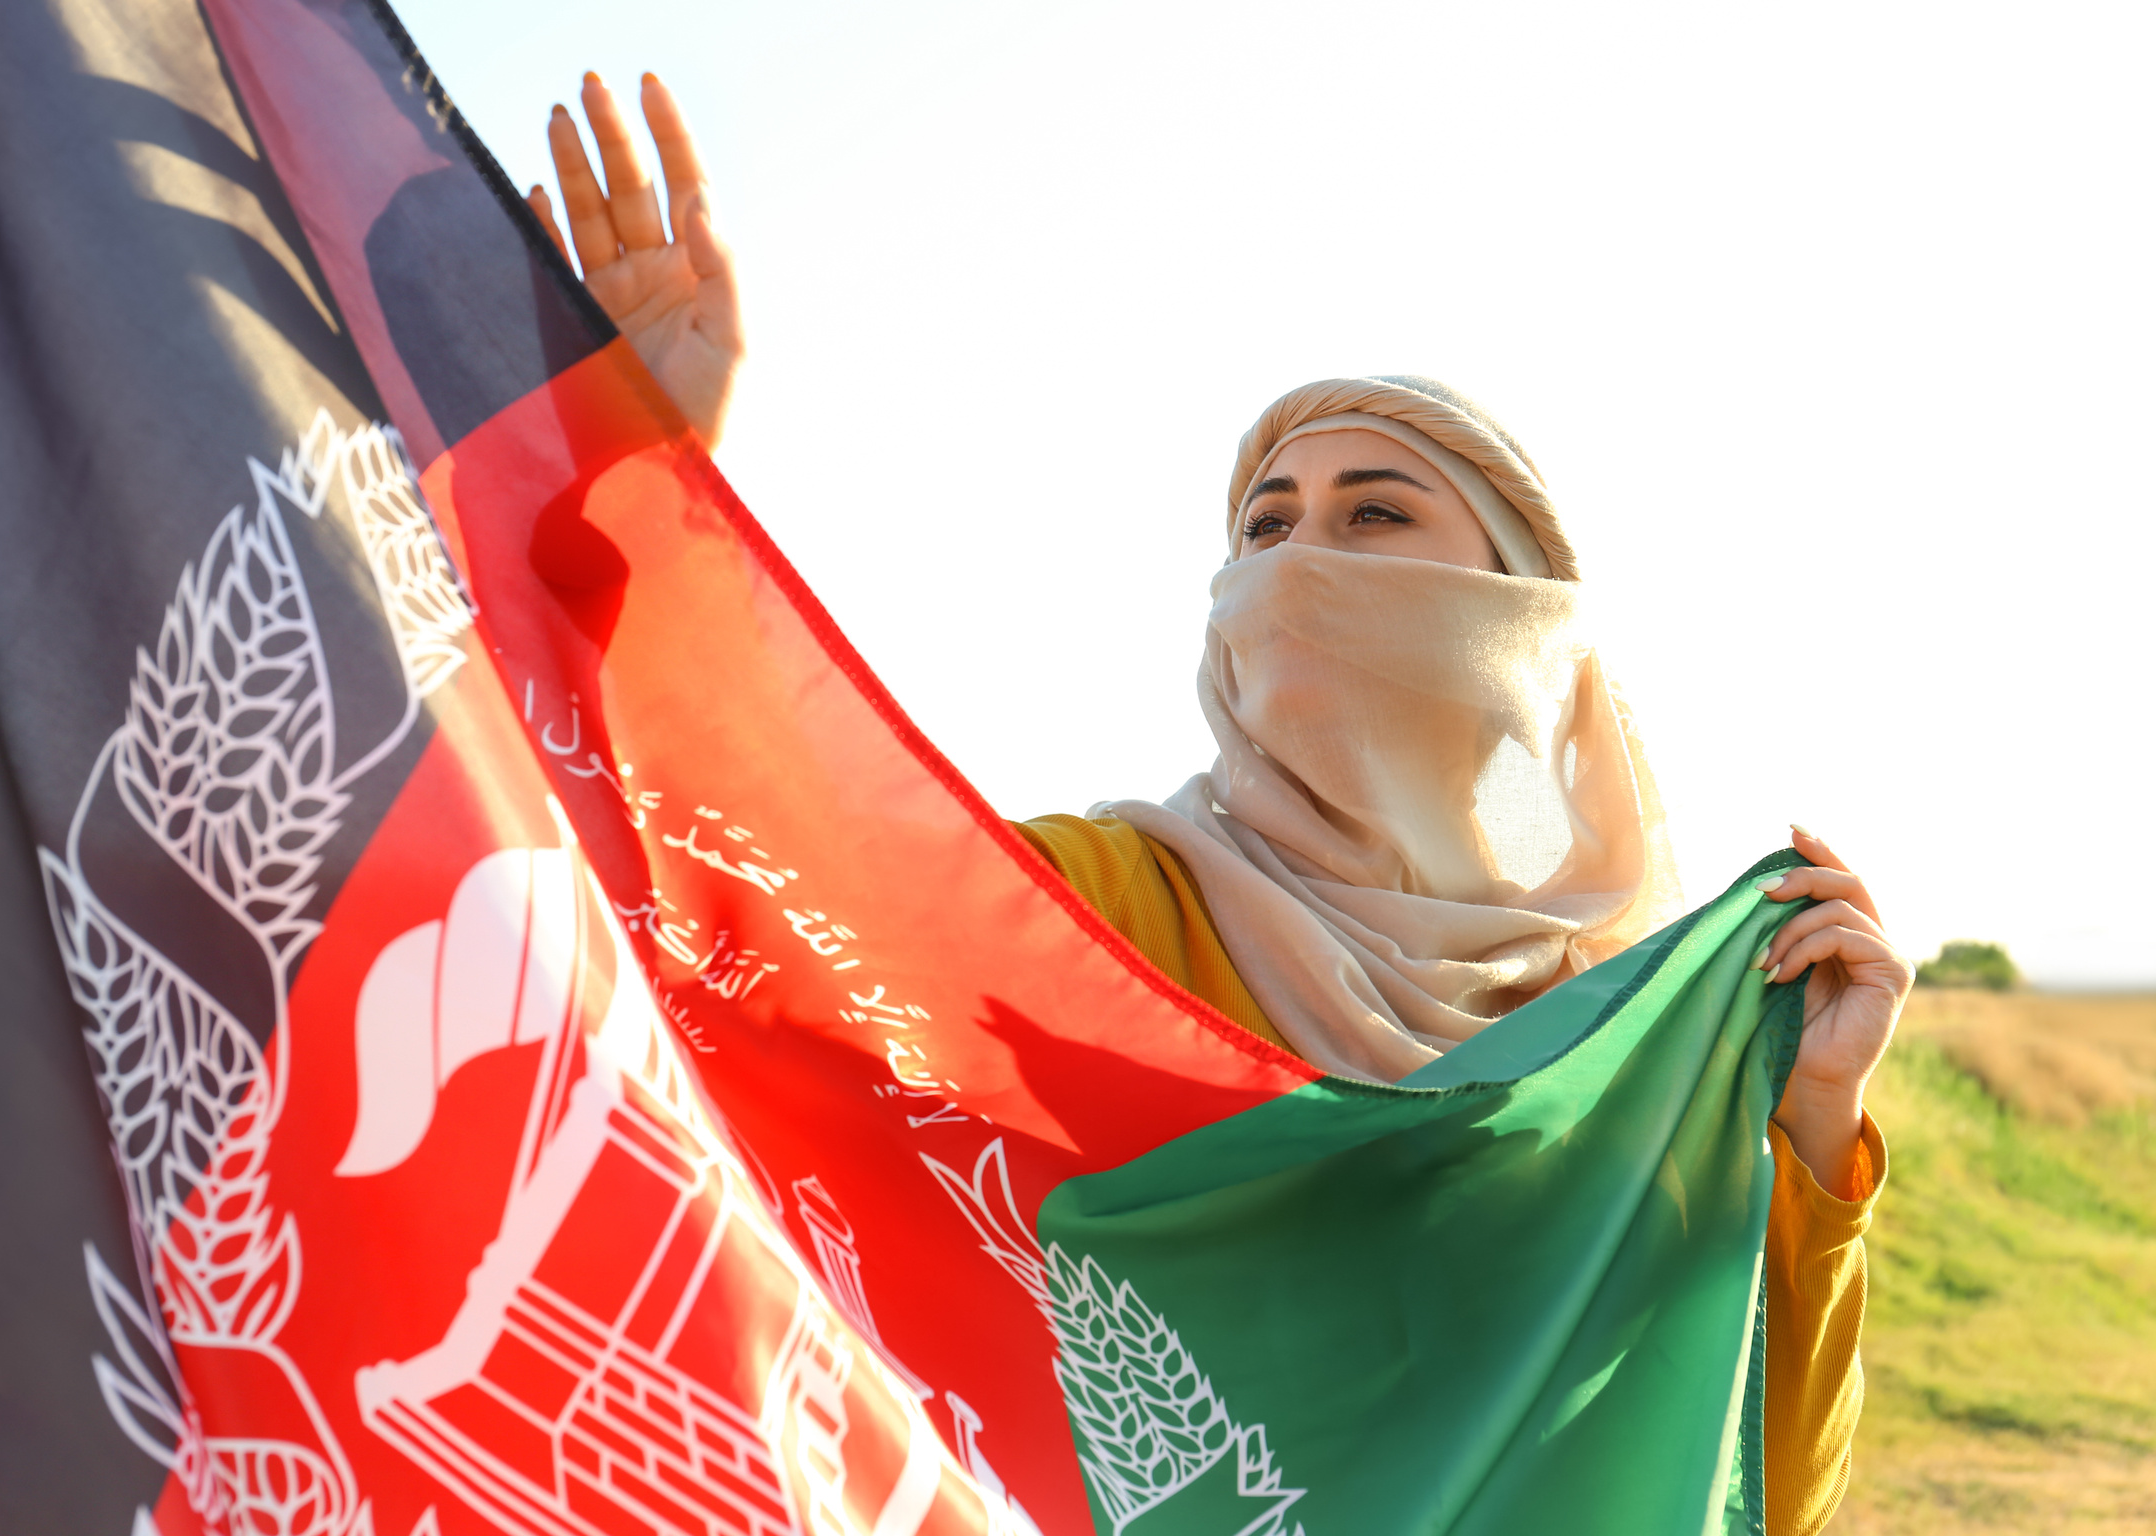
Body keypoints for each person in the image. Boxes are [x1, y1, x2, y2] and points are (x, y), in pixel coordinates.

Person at [526, 73, 1912, 1536]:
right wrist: (640, 491)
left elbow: (1758, 1484)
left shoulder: (1628, 1040)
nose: (1296, 560)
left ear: (1515, 619)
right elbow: (739, 876)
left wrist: (1821, 1123)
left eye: (1376, 514)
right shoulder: (1110, 904)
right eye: (1265, 525)